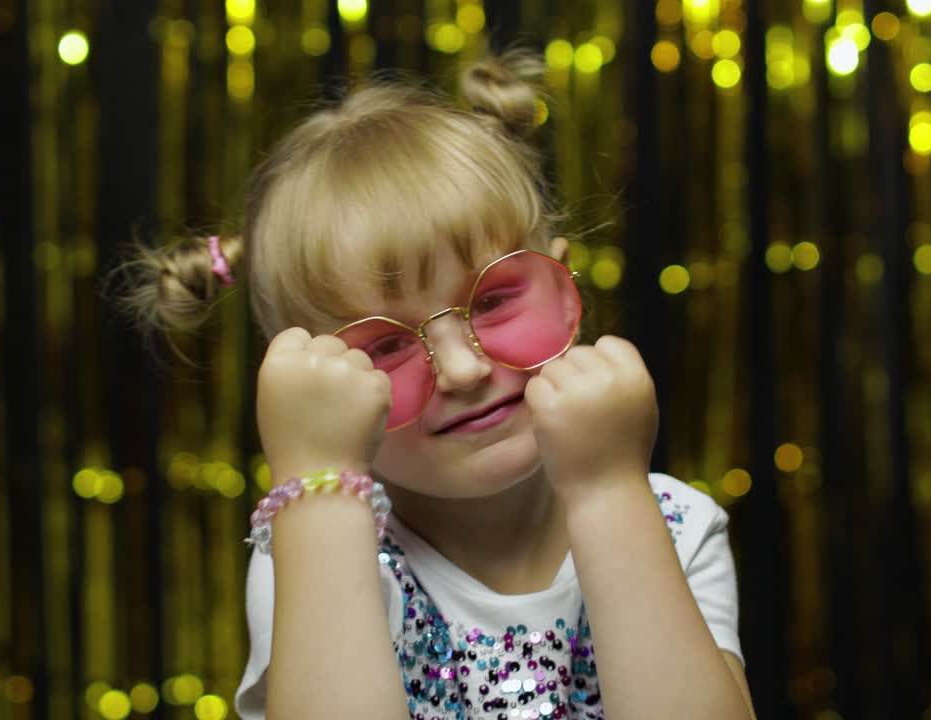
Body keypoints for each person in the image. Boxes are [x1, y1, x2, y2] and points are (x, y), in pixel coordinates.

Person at [121, 50, 753, 720]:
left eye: (492, 302)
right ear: (312, 388)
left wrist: (608, 493)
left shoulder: (673, 523)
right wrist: (319, 479)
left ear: (567, 289)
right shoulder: (321, 544)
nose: (464, 368)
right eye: (387, 343)